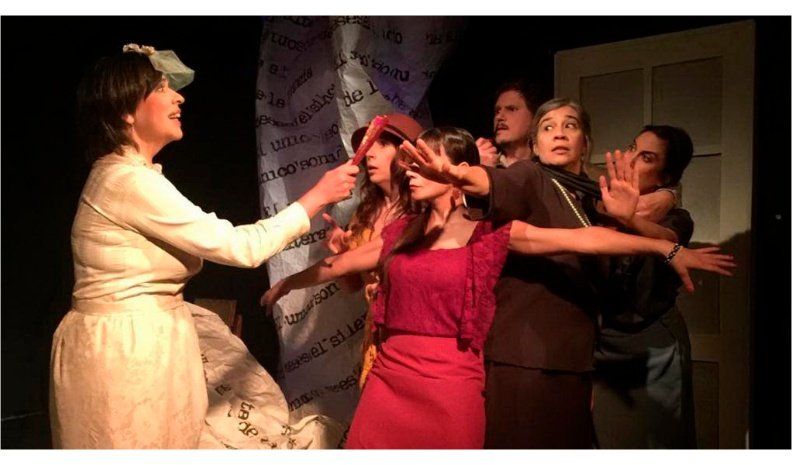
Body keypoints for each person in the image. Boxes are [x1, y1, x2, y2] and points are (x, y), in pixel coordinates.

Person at [262, 126, 733, 449]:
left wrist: (665, 248)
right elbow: (340, 264)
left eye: (423, 165)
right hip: (388, 382)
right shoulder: (400, 232)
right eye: (409, 165)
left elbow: (583, 239)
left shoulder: (488, 234)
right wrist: (288, 281)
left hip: (450, 389)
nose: (410, 173)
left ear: (456, 172)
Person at [49, 44, 359, 449]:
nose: (178, 97)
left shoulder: (133, 176)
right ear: (126, 111)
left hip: (143, 341)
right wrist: (316, 197)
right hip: (125, 352)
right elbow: (240, 247)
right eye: (162, 89)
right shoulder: (127, 181)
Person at [402, 97, 676, 448]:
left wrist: (637, 214)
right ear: (535, 144)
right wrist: (460, 174)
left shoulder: (594, 198)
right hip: (524, 357)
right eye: (547, 128)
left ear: (585, 141)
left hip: (575, 358)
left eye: (570, 126)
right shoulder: (530, 176)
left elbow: (666, 238)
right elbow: (492, 182)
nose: (559, 134)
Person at [592, 126, 699, 448]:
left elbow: (666, 240)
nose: (631, 159)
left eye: (647, 157)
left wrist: (632, 219)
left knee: (657, 443)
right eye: (632, 148)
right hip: (604, 344)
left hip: (651, 343)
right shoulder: (597, 202)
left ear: (665, 176)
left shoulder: (676, 218)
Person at [321, 113, 424, 388]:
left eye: (383, 145)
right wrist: (340, 252)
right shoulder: (364, 214)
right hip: (374, 342)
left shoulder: (424, 209)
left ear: (407, 154)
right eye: (368, 146)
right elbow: (352, 286)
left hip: (413, 338)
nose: (370, 154)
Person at [476, 80, 539, 168]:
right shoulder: (479, 162)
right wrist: (479, 168)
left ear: (534, 117)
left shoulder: (547, 169)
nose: (499, 117)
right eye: (497, 111)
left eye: (511, 109)